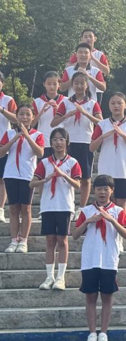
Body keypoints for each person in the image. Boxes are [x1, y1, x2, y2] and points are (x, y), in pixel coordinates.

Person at [73, 175, 126, 341]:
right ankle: (92, 332)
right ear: (94, 191)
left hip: (108, 259)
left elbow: (125, 234)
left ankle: (103, 331)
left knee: (107, 296)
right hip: (90, 260)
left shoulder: (118, 211)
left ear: (112, 191)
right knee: (90, 296)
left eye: (106, 189)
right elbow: (75, 234)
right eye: (99, 189)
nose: (102, 192)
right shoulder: (86, 211)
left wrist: (111, 220)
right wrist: (88, 221)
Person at [30, 128, 81, 290]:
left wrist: (64, 175)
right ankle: (49, 276)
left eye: (61, 139)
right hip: (48, 206)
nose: (58, 143)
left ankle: (61, 277)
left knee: (62, 240)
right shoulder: (45, 163)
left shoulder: (72, 162)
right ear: (50, 143)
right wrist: (46, 179)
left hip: (64, 205)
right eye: (55, 139)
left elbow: (78, 185)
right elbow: (32, 183)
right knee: (50, 240)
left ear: (67, 142)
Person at [52, 72, 103, 219]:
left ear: (87, 85)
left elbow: (101, 122)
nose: (79, 86)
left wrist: (85, 113)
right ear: (72, 85)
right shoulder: (66, 103)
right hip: (69, 143)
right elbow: (54, 123)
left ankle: (81, 207)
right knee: (67, 175)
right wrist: (68, 115)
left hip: (86, 142)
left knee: (85, 177)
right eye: (76, 83)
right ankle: (68, 205)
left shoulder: (92, 103)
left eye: (82, 83)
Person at [0, 104, 45, 253]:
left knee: (26, 208)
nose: (24, 117)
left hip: (27, 175)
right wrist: (14, 139)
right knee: (13, 208)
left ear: (33, 117)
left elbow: (40, 153)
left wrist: (27, 136)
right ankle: (14, 240)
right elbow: (1, 152)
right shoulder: (9, 133)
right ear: (16, 116)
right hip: (11, 174)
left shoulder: (37, 135)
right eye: (21, 114)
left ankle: (23, 240)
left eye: (27, 114)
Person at [90, 92, 126, 216]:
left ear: (125, 105)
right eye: (113, 103)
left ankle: (122, 227)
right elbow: (92, 147)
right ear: (109, 106)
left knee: (121, 204)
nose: (116, 106)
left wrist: (123, 135)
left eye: (119, 103)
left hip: (124, 170)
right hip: (106, 169)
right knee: (106, 203)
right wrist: (104, 136)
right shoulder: (102, 124)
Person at [32, 71, 66, 159]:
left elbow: (69, 121)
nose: (52, 87)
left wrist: (59, 110)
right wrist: (41, 112)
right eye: (49, 84)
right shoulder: (37, 102)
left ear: (59, 84)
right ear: (44, 84)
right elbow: (31, 124)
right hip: (44, 140)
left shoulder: (66, 101)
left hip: (61, 140)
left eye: (55, 84)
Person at [0, 71, 18, 223]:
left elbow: (17, 119)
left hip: (3, 143)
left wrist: (2, 110)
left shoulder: (7, 100)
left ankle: (0, 209)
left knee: (1, 179)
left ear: (2, 83)